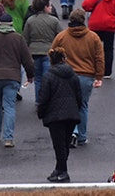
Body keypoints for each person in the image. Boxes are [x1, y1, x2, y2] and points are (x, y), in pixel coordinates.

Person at [0, 12, 35, 147]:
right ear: (11, 25)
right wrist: (30, 75)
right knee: (9, 106)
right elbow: (28, 61)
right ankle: (8, 138)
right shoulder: (18, 39)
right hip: (12, 77)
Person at [50, 8, 103, 147]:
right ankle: (81, 135)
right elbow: (99, 58)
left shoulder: (62, 37)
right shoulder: (93, 37)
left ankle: (71, 132)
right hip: (86, 76)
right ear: (83, 20)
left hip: (66, 75)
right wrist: (99, 76)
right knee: (83, 105)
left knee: (68, 105)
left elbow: (53, 53)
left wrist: (55, 69)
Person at [37, 47, 83, 183]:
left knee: (59, 145)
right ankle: (59, 169)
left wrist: (41, 113)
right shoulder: (72, 75)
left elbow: (44, 97)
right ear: (64, 59)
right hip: (71, 114)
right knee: (65, 144)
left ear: (51, 60)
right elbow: (79, 96)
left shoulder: (49, 76)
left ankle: (63, 171)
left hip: (55, 116)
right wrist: (76, 109)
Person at [81, 0, 115, 78]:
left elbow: (85, 5)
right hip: (109, 26)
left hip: (95, 25)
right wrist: (113, 20)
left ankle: (93, 68)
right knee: (108, 49)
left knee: (94, 48)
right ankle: (107, 72)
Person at [23, 0, 62, 100]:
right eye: (50, 6)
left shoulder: (30, 20)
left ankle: (39, 101)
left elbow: (25, 38)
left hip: (34, 53)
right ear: (45, 7)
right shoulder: (53, 21)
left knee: (38, 79)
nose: (51, 8)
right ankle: (48, 101)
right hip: (49, 53)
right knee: (48, 79)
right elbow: (61, 36)